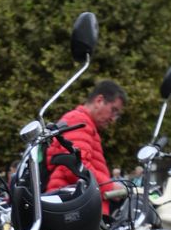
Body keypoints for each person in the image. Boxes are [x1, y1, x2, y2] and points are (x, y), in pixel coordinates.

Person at [44, 80, 127, 208]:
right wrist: (110, 187)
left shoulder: (85, 124)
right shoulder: (79, 121)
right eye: (113, 110)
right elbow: (75, 168)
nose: (113, 119)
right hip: (74, 208)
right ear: (99, 100)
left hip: (76, 206)